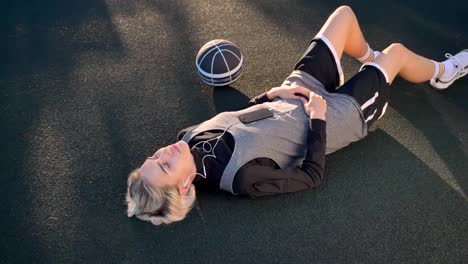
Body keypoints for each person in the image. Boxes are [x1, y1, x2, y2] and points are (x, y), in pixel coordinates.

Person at [126, 6, 468, 226]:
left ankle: (372, 61)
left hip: (295, 93)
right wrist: (319, 117)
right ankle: (444, 72)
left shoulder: (187, 138)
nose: (165, 152)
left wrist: (271, 95)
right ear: (185, 185)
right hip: (338, 118)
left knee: (344, 17)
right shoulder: (241, 180)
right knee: (396, 54)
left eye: (155, 157)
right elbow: (311, 176)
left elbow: (242, 119)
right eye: (166, 165)